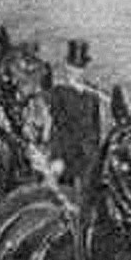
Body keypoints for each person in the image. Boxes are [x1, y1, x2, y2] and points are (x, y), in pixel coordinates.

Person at [45, 38, 104, 194]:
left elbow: (96, 129)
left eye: (80, 67)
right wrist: (57, 157)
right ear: (66, 66)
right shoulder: (58, 93)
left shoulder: (93, 96)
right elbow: (56, 128)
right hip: (67, 155)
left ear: (85, 69)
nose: (75, 71)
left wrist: (95, 155)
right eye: (72, 66)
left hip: (89, 157)